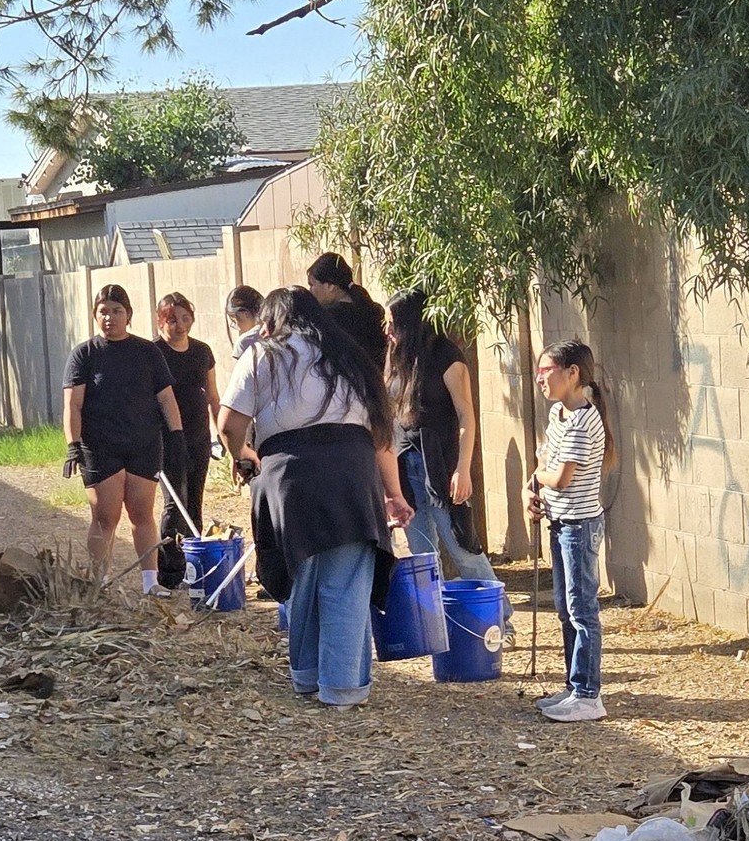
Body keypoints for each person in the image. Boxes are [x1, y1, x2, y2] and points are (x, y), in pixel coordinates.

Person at [219, 286, 413, 709]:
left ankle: (306, 677)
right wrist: (394, 494)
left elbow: (229, 424)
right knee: (346, 584)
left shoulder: (260, 354)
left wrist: (244, 457)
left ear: (271, 320)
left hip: (290, 479)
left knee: (301, 578)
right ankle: (342, 688)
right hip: (352, 475)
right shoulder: (352, 358)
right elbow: (382, 439)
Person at [63, 284, 187, 592]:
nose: (110, 317)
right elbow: (72, 405)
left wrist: (177, 436)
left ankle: (150, 582)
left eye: (117, 311)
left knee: (142, 514)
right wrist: (72, 445)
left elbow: (167, 398)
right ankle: (98, 580)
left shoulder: (148, 351)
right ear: (95, 315)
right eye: (103, 311)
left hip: (143, 444)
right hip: (101, 447)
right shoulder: (84, 355)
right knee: (105, 516)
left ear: (128, 315)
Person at [526, 338, 615, 724]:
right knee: (565, 608)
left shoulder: (583, 420)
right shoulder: (558, 416)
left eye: (547, 372)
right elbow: (544, 463)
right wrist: (531, 488)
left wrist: (538, 478)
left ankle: (588, 693)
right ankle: (572, 684)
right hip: (559, 521)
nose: (540, 379)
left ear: (572, 373)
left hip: (579, 526)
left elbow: (559, 477)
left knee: (582, 610)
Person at [385, 290, 499, 586]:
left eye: (393, 323)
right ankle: (434, 625)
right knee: (420, 554)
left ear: (410, 323)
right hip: (404, 465)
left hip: (441, 465)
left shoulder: (448, 357)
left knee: (462, 547)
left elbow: (466, 416)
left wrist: (463, 468)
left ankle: (501, 621)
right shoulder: (397, 358)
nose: (387, 331)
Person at [153, 292, 220, 566]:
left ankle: (195, 564)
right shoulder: (153, 352)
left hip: (199, 437)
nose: (179, 325)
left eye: (185, 318)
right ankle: (169, 569)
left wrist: (222, 434)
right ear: (160, 323)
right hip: (167, 440)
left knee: (194, 503)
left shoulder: (202, 351)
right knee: (174, 504)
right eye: (172, 320)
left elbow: (213, 396)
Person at [306, 252, 387, 369]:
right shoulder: (366, 305)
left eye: (312, 285)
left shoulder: (331, 317)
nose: (310, 291)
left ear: (330, 285)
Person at [224, 285, 264, 359]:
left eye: (234, 321)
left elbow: (238, 370)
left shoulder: (244, 342)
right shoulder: (279, 332)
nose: (237, 327)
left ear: (245, 314)